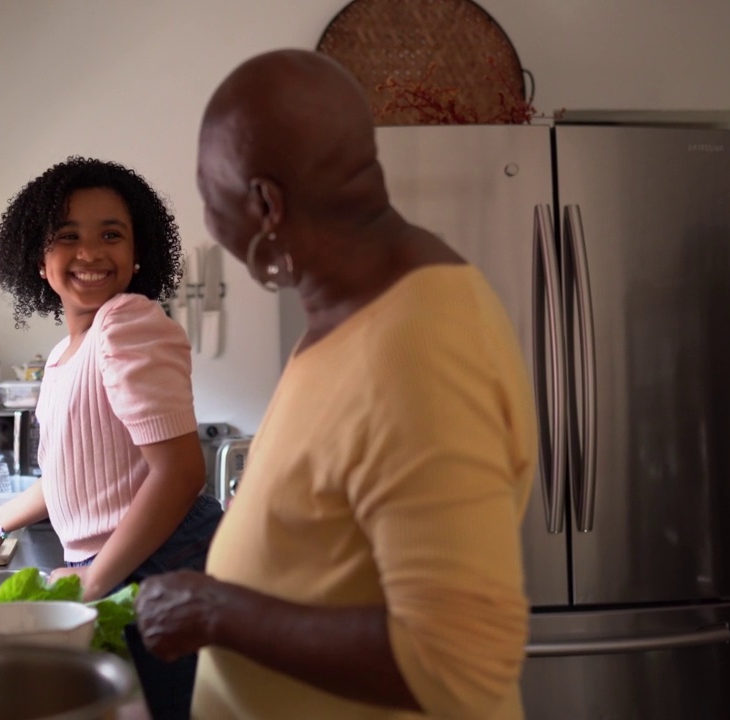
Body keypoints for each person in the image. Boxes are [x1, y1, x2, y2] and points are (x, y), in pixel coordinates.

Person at [133, 49, 538, 719]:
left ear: (266, 204)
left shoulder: (418, 351)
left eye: (210, 200)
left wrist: (217, 611)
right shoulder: (357, 311)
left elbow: (457, 662)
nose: (209, 223)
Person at [0, 156, 224, 719]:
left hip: (163, 556)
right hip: (126, 558)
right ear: (39, 260)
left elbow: (181, 473)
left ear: (138, 255)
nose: (90, 252)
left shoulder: (126, 323)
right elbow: (69, 476)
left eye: (111, 234)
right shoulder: (63, 356)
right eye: (68, 237)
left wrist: (91, 583)